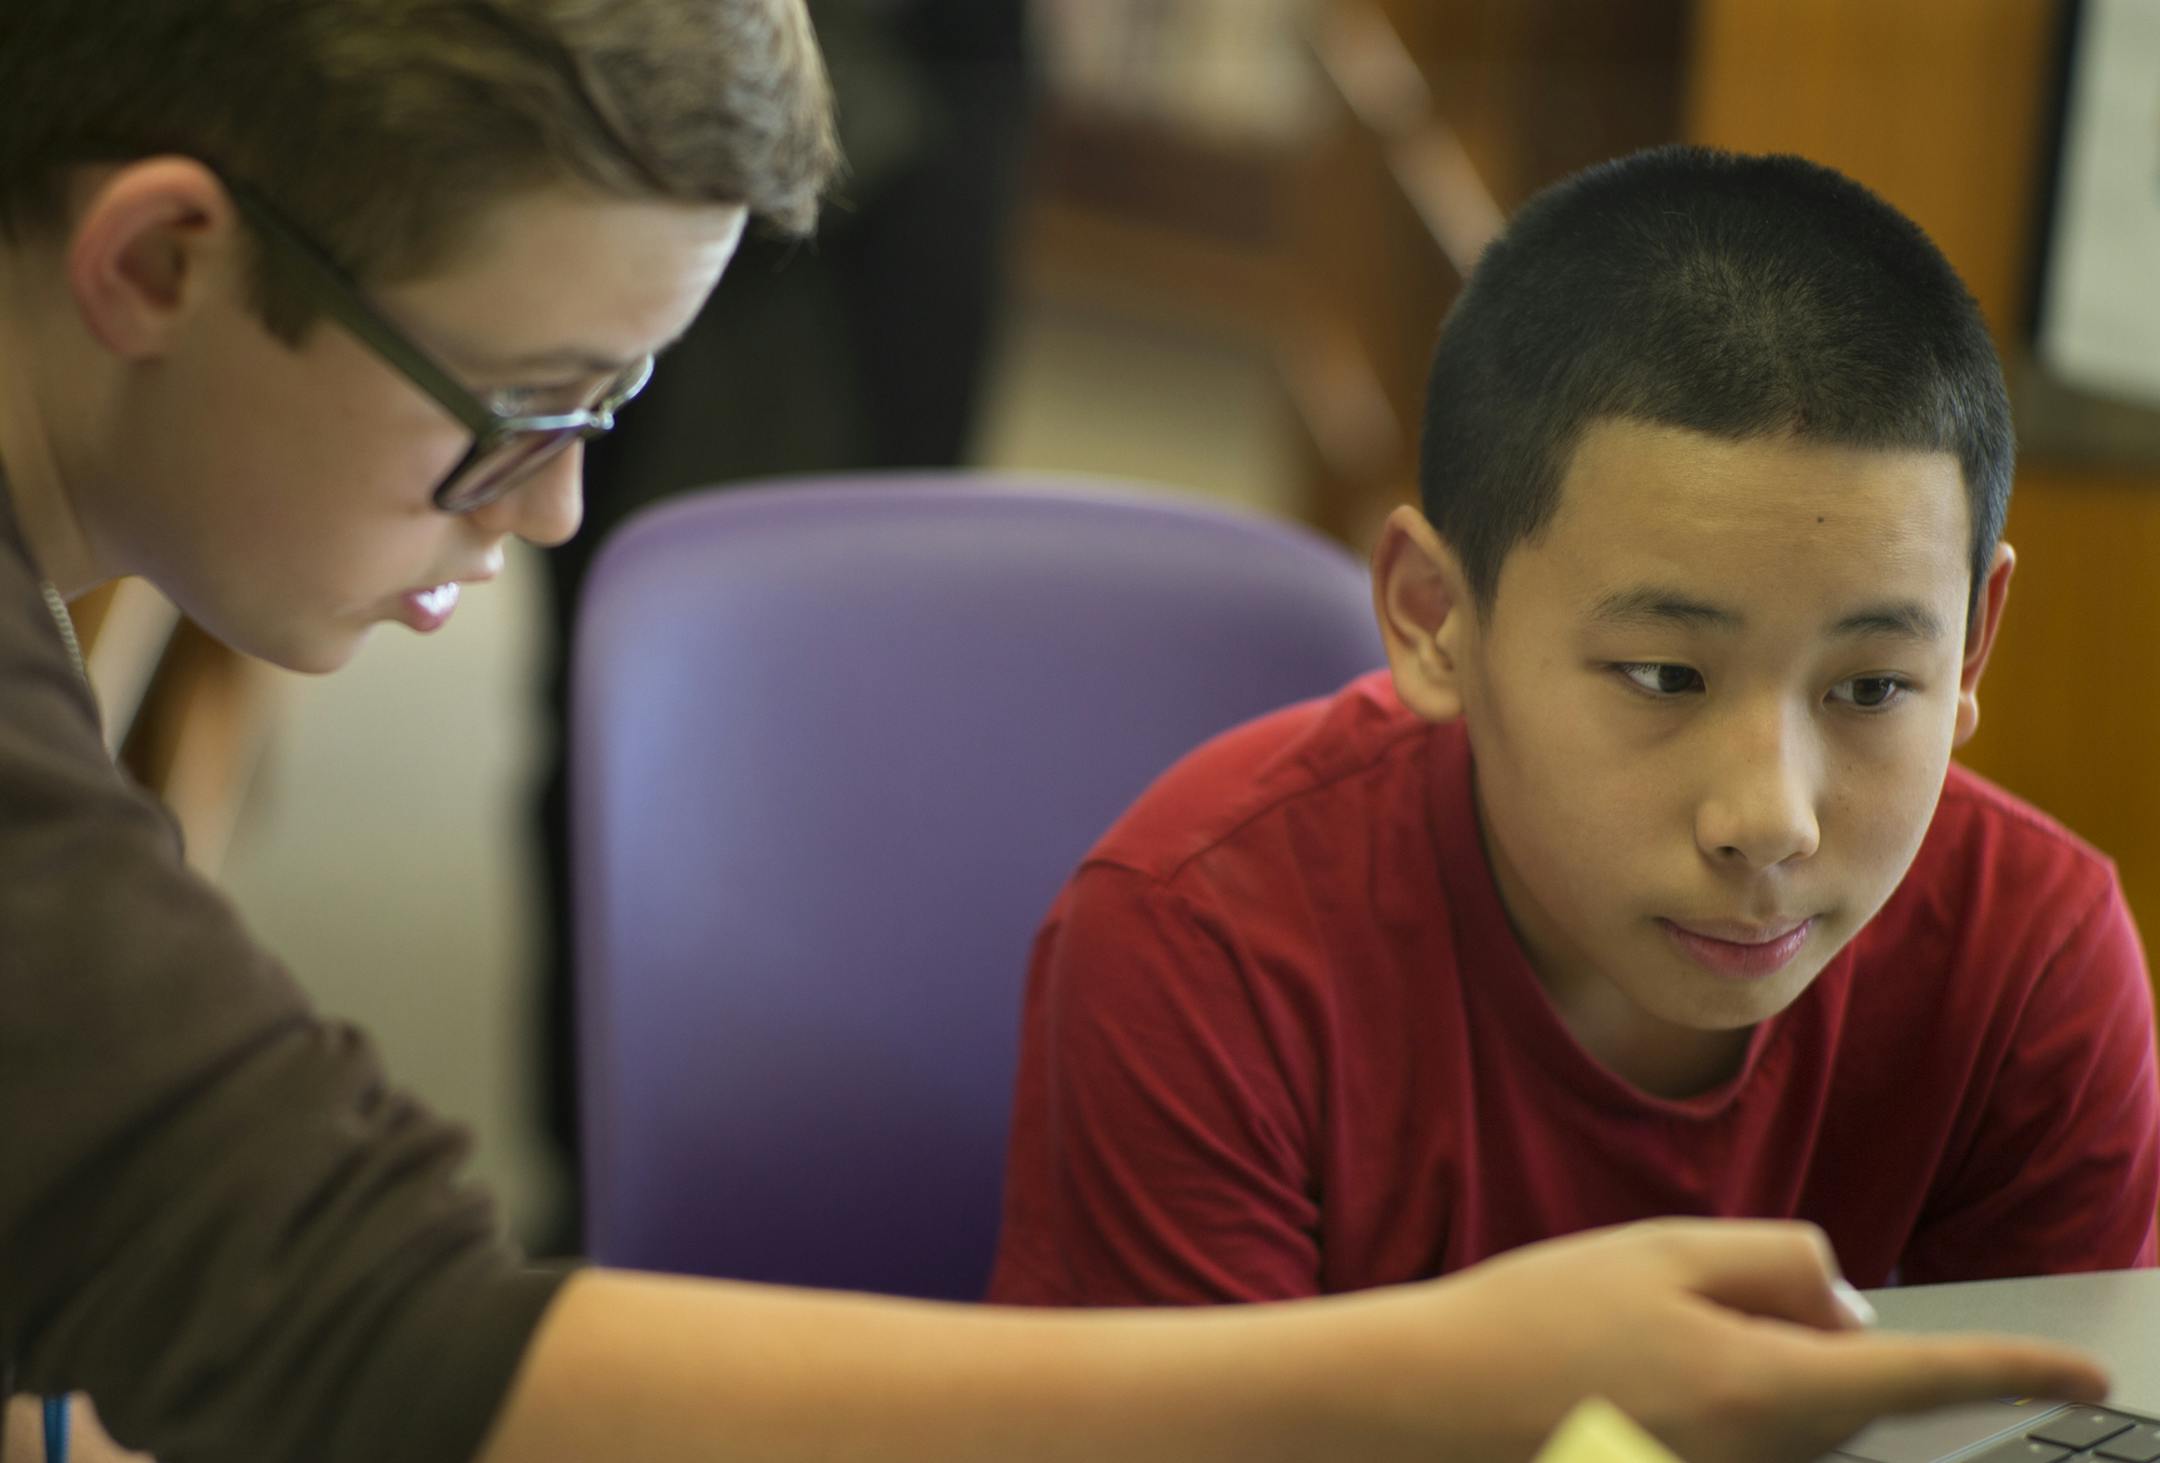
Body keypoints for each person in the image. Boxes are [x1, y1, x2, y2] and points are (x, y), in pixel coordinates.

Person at [0, 8, 2114, 1463]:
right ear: (159, 262)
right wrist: (1458, 1379)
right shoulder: (1209, 925)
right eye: (524, 407)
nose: (557, 506)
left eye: (605, 416)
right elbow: (345, 1321)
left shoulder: (2031, 941)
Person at [988, 146, 2160, 1313]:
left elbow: (2048, 1401)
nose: (1768, 820)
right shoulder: (1205, 945)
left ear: (1972, 646)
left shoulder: (2030, 963)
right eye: (1663, 674)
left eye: (1870, 689)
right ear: (1435, 618)